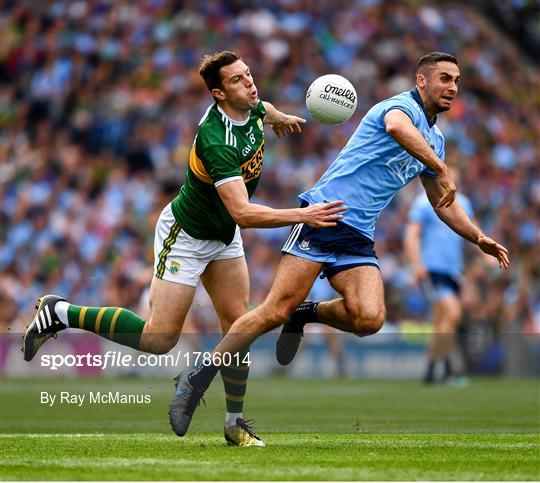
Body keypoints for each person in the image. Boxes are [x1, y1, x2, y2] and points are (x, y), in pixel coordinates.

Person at [167, 52, 510, 439]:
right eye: (445, 79)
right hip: (324, 214)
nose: (452, 88)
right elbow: (397, 128)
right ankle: (198, 377)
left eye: (457, 81)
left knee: (369, 318)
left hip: (359, 233)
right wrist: (442, 167)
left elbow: (442, 204)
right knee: (273, 310)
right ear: (421, 81)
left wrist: (478, 236)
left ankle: (307, 314)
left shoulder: (436, 140)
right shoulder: (400, 108)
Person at [22, 51, 346, 447]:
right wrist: (304, 216)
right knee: (160, 339)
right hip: (188, 236)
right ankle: (59, 311)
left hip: (222, 236)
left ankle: (234, 423)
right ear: (218, 93)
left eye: (249, 74)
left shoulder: (252, 108)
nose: (250, 83)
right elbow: (244, 213)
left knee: (237, 325)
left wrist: (281, 117)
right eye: (238, 81)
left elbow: (264, 108)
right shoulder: (215, 139)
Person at [404, 167, 473, 384]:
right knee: (452, 313)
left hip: (454, 271)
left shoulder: (464, 203)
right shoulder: (424, 202)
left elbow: (472, 228)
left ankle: (434, 370)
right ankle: (444, 368)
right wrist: (416, 264)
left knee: (442, 321)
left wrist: (485, 251)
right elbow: (411, 236)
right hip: (432, 269)